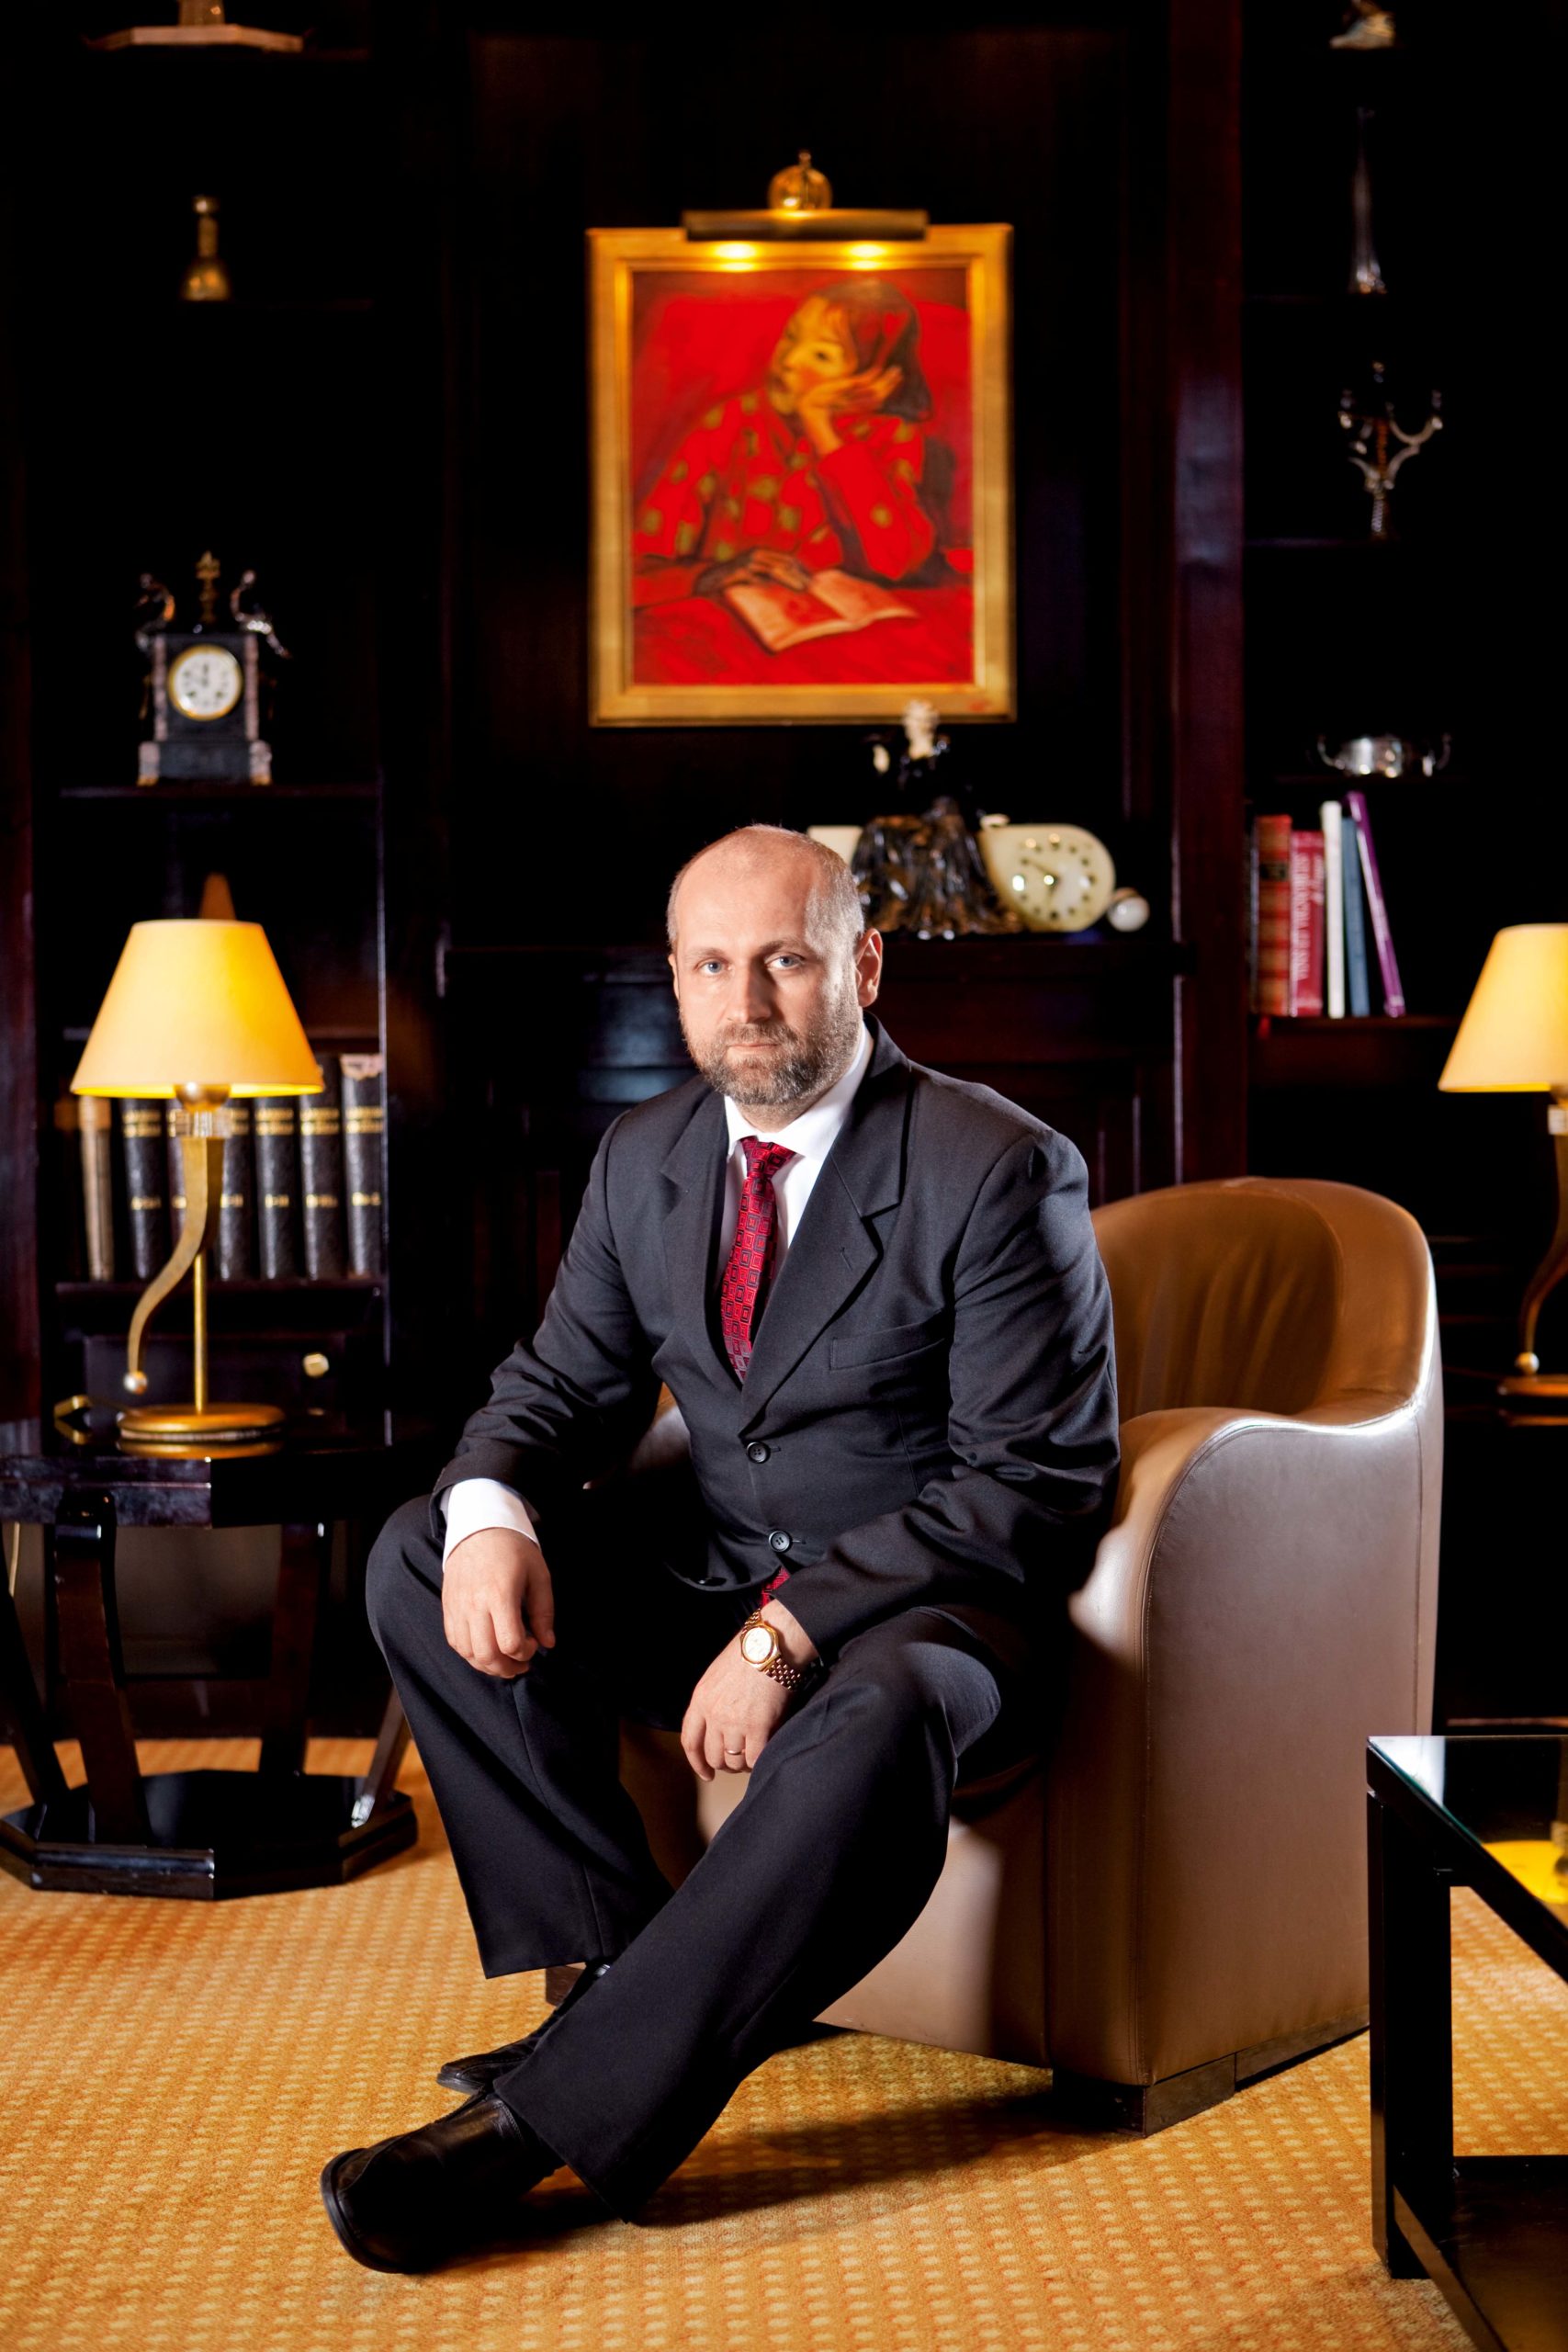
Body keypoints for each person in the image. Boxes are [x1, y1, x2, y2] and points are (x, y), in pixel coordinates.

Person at [320, 824, 1120, 2273]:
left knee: (887, 1704)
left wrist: (788, 1628)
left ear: (861, 968)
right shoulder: (646, 1155)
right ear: (675, 981)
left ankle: (538, 2125)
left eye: (784, 960)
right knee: (420, 1552)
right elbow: (555, 1390)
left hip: (927, 1614)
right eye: (709, 965)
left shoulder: (996, 1165)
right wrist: (489, 1509)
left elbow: (1032, 1483)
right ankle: (621, 1973)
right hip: (712, 1569)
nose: (744, 1001)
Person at [630, 279, 973, 687]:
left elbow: (897, 561)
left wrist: (820, 425)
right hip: (727, 648)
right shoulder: (728, 425)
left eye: (822, 355)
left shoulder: (891, 438)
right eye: (790, 337)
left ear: (873, 375)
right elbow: (636, 564)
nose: (790, 360)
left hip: (846, 658)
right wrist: (710, 576)